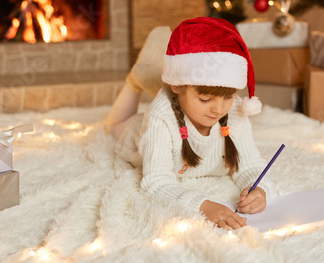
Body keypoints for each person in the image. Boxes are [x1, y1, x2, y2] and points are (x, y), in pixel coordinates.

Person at [105, 17, 275, 230]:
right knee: (111, 127)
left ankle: (154, 76)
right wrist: (203, 206)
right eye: (206, 99)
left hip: (177, 106)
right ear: (176, 85)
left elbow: (250, 165)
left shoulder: (235, 112)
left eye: (229, 96)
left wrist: (260, 190)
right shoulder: (159, 120)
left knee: (201, 104)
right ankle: (136, 79)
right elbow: (155, 183)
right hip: (136, 131)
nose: (219, 109)